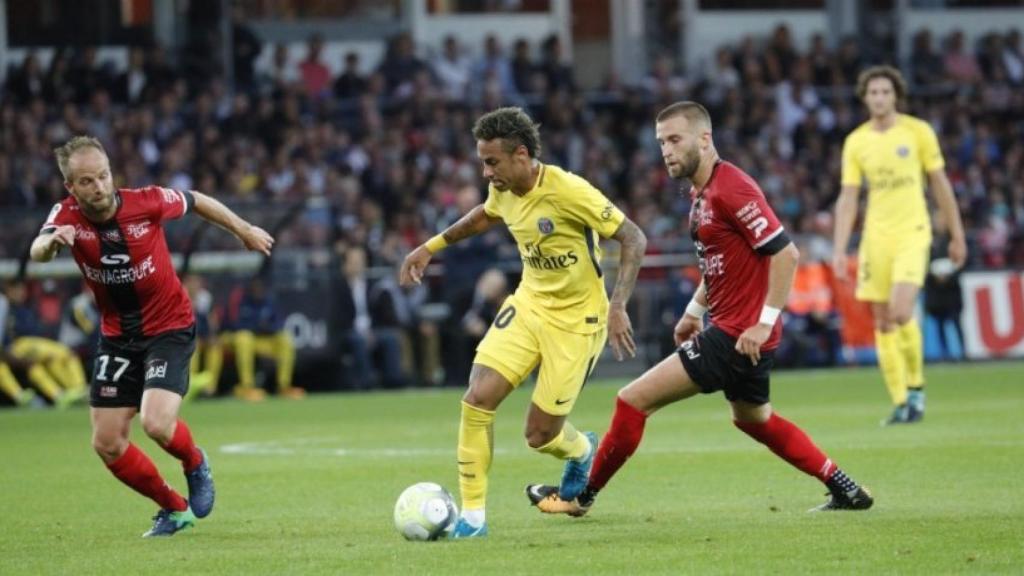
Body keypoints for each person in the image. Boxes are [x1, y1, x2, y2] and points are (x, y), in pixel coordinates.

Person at [526, 101, 873, 517]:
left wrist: (763, 323)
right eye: (660, 143)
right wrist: (693, 311)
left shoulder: (733, 188)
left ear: (704, 139)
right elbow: (720, 262)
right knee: (754, 419)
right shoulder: (702, 193)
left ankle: (580, 498)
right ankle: (844, 486)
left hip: (738, 335)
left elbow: (787, 255)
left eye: (675, 139)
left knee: (632, 401)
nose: (666, 151)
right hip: (738, 333)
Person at [400, 106, 647, 538]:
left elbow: (633, 237)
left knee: (539, 435)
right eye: (482, 161)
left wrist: (618, 305)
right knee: (477, 398)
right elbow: (485, 214)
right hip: (529, 305)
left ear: (521, 155)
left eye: (491, 162)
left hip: (576, 321)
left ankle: (582, 448)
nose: (485, 172)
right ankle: (473, 519)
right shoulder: (504, 188)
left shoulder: (568, 190)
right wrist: (431, 246)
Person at [29, 135, 274, 537]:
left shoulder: (145, 201)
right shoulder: (67, 216)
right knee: (106, 443)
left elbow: (195, 199)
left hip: (168, 327)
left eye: (103, 176)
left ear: (112, 173)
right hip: (117, 337)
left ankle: (195, 462)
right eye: (87, 181)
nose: (99, 187)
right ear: (71, 187)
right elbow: (38, 249)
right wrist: (52, 243)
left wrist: (243, 229)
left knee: (157, 424)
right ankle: (174, 509)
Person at [832, 66, 967, 425]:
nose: (879, 98)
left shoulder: (918, 132)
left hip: (913, 232)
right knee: (883, 322)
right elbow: (848, 197)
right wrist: (839, 247)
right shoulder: (857, 141)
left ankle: (917, 389)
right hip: (876, 237)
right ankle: (900, 402)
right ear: (865, 98)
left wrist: (957, 234)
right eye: (873, 92)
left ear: (896, 96)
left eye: (885, 92)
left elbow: (940, 186)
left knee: (902, 311)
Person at [223, 276, 302, 401]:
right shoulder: (240, 300)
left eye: (260, 287)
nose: (258, 290)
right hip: (236, 339)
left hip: (261, 339)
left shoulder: (269, 301)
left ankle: (284, 386)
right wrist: (256, 325)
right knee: (244, 338)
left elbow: (279, 323)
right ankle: (247, 387)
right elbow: (233, 324)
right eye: (255, 287)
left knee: (285, 339)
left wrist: (268, 327)